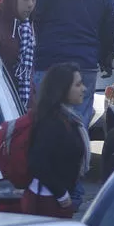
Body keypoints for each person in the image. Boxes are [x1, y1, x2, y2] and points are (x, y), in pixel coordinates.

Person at [32, 0, 114, 129]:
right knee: (79, 122)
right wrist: (106, 59)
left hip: (48, 62)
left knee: (45, 120)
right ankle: (78, 157)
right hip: (84, 64)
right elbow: (108, 30)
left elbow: (32, 15)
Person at [21, 62, 90, 218]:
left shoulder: (68, 118)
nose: (84, 89)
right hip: (47, 202)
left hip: (55, 199)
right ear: (63, 89)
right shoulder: (52, 122)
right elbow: (38, 163)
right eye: (78, 85)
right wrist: (62, 195)